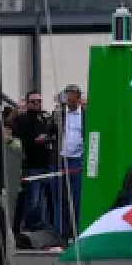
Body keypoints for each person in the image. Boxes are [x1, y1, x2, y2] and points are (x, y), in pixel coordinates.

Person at [9, 91, 55, 239]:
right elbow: (21, 138)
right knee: (33, 198)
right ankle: (30, 226)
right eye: (34, 102)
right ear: (28, 103)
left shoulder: (45, 117)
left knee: (45, 197)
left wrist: (48, 137)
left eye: (39, 101)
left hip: (46, 162)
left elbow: (52, 132)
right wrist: (36, 140)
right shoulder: (22, 119)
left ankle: (43, 224)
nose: (37, 104)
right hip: (31, 163)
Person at [51, 85, 85, 243]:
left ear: (78, 99)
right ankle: (61, 234)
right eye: (67, 99)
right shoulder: (58, 114)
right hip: (60, 159)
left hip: (77, 160)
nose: (69, 103)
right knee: (60, 197)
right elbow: (51, 132)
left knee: (76, 197)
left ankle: (76, 231)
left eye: (72, 99)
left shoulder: (85, 115)